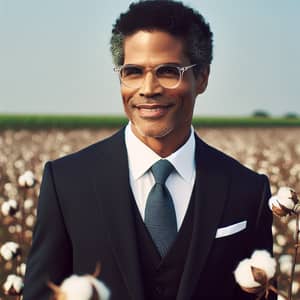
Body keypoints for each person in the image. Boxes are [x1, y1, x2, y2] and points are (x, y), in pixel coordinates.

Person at [23, 1, 275, 299]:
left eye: (169, 71)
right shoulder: (66, 183)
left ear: (203, 77)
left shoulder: (249, 191)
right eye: (133, 71)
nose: (148, 88)